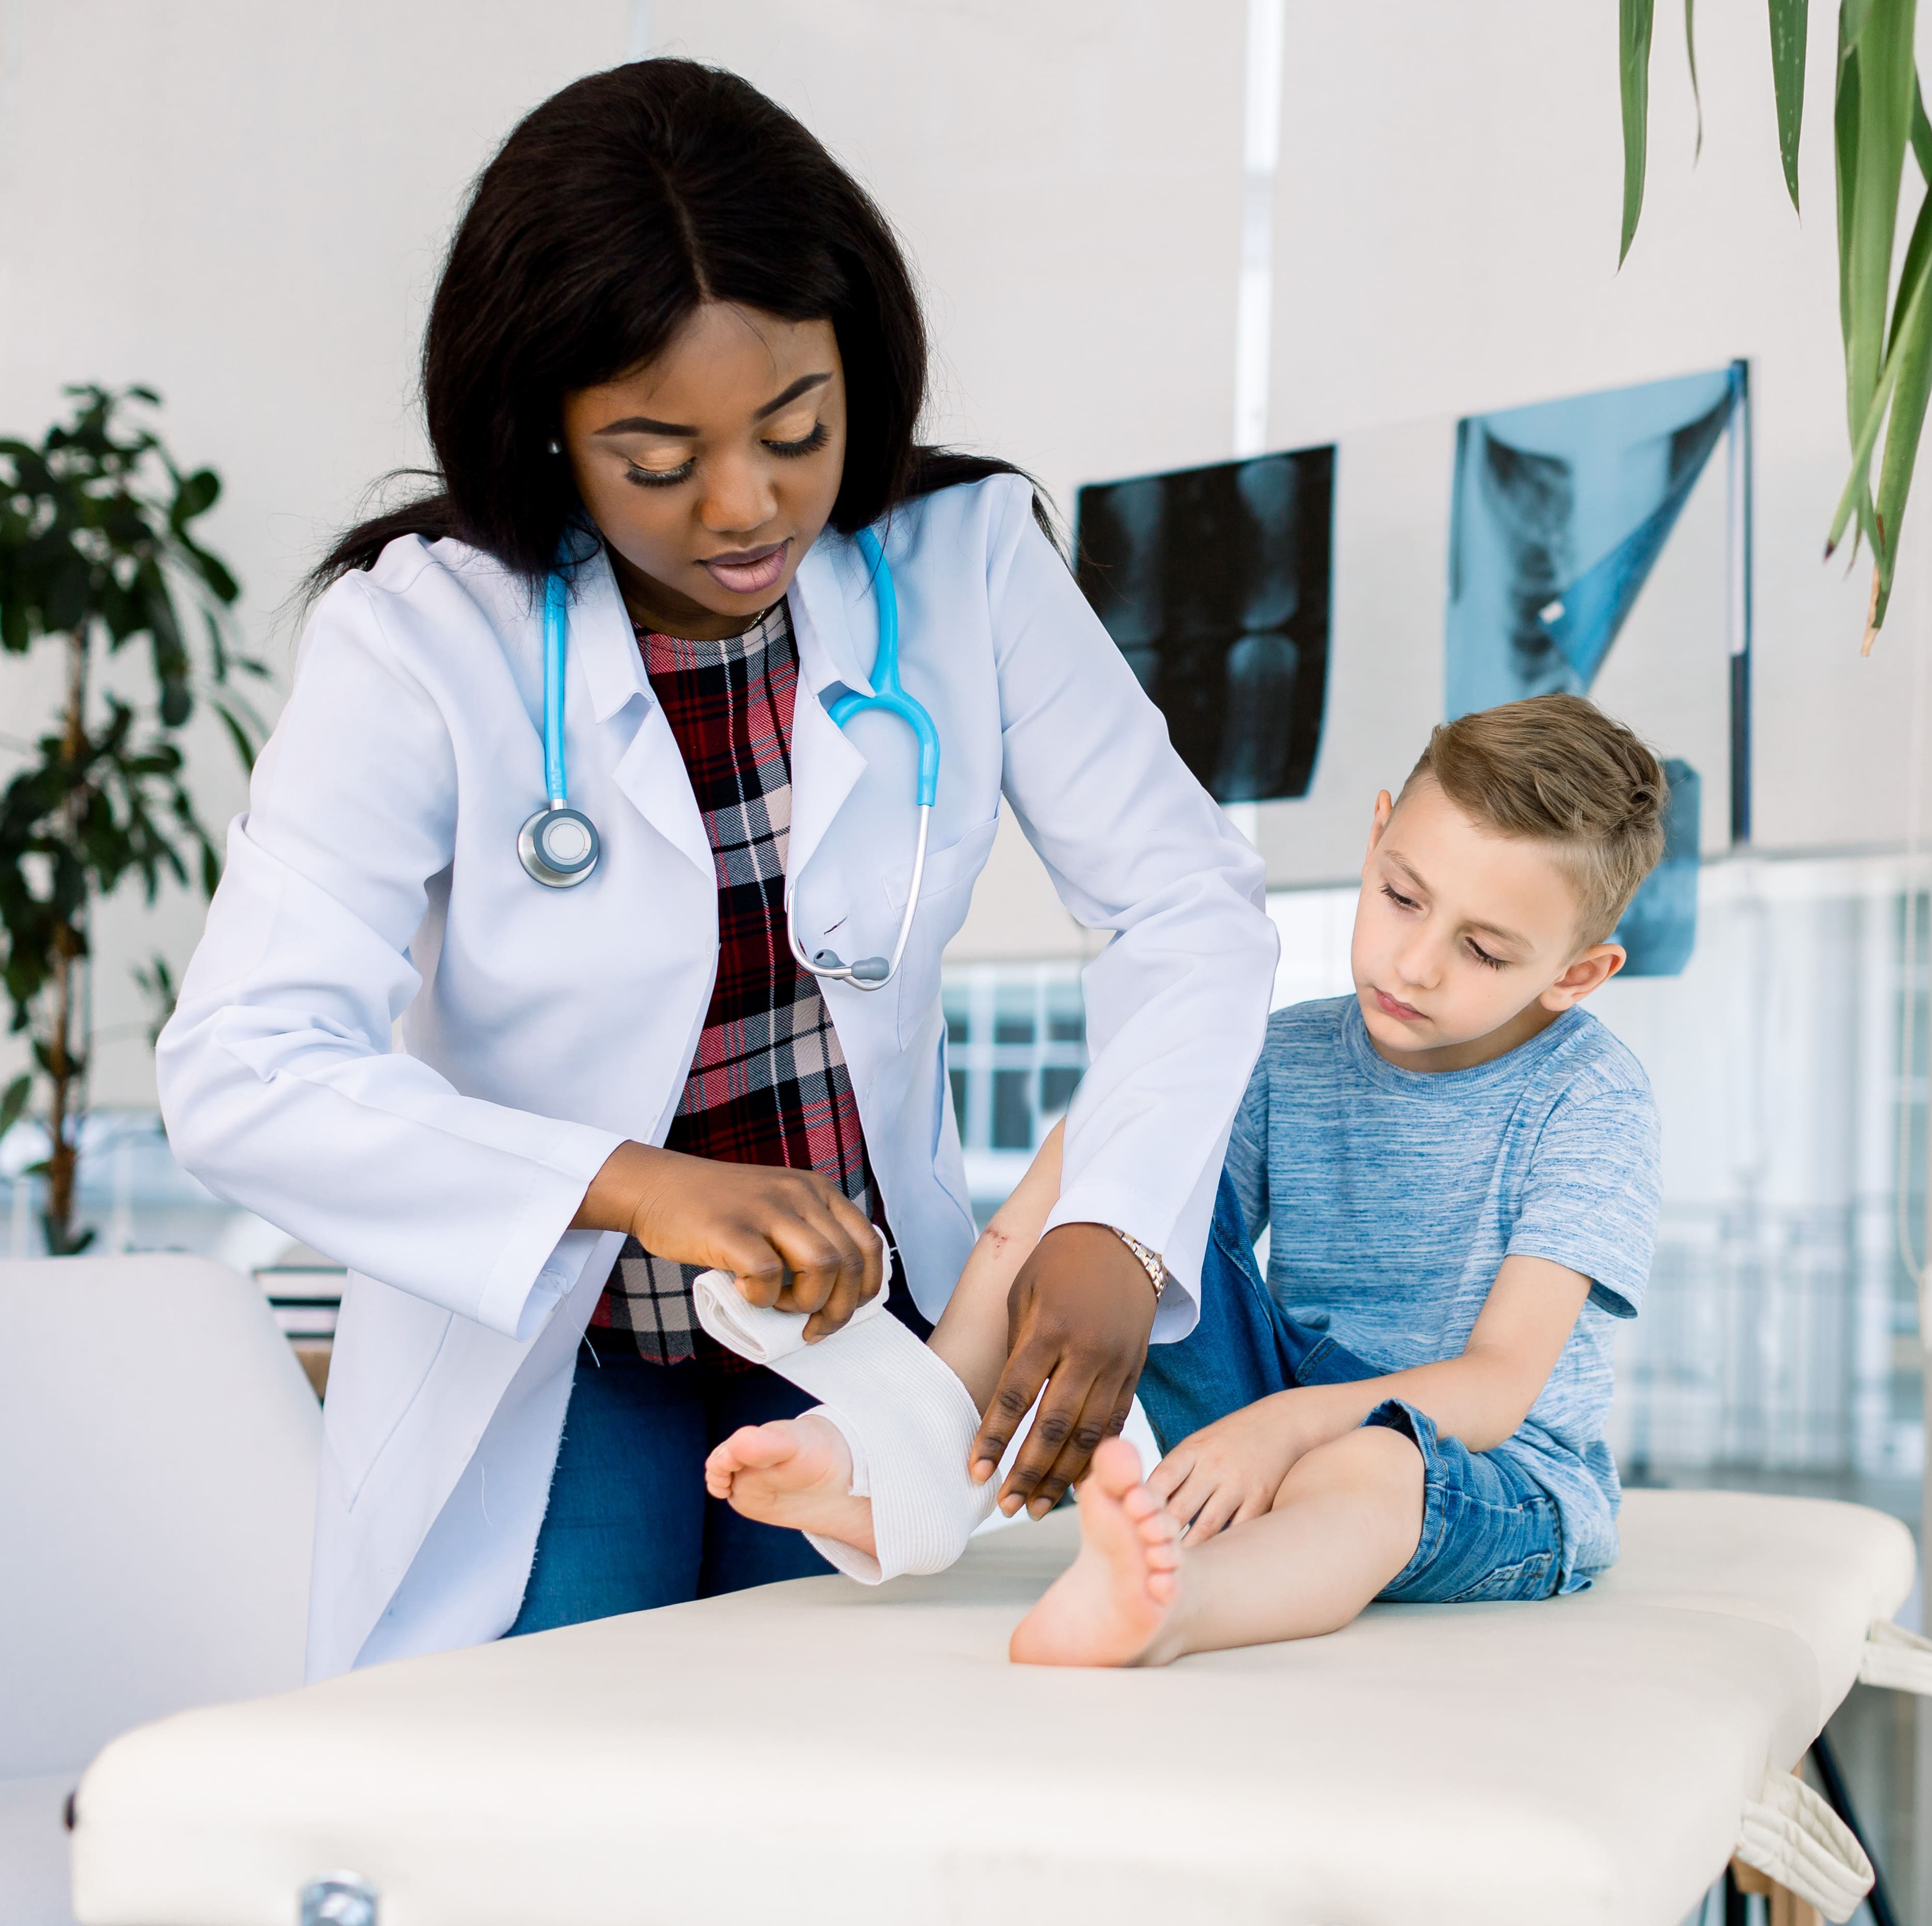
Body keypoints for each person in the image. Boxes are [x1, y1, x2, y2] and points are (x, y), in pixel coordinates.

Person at [156, 60, 1274, 1679]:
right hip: (562, 1346)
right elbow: (240, 1069)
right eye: (658, 457)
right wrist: (638, 1184)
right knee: (557, 1779)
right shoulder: (419, 638)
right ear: (546, 426)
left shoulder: (963, 565)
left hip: (853, 1346)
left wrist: (1118, 1221)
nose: (747, 507)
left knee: (842, 1775)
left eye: (796, 430)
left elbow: (1187, 907)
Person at [708, 694, 1667, 1665]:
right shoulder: (1288, 1052)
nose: (1414, 964)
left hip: (1484, 1469)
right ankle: (913, 1454)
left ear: (1576, 975)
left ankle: (1178, 1604)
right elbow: (1132, 1205)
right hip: (1282, 1407)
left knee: (1375, 1462)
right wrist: (1247, 1398)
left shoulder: (1588, 1096)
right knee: (1126, 1164)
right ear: (1377, 836)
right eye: (1403, 897)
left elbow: (1499, 1387)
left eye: (1483, 948)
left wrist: (1280, 1431)